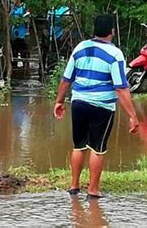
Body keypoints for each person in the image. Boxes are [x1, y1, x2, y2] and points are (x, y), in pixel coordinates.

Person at [53, 14, 139, 199]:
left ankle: (74, 186)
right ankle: (92, 190)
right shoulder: (115, 54)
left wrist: (59, 101)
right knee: (97, 148)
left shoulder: (80, 47)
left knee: (79, 146)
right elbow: (121, 88)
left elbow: (66, 79)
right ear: (112, 32)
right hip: (102, 107)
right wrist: (133, 115)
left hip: (78, 103)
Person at [10, 0, 30, 68]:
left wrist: (24, 17)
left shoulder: (23, 8)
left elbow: (26, 18)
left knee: (24, 52)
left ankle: (25, 66)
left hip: (22, 34)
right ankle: (14, 66)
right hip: (13, 34)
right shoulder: (12, 9)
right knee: (14, 51)